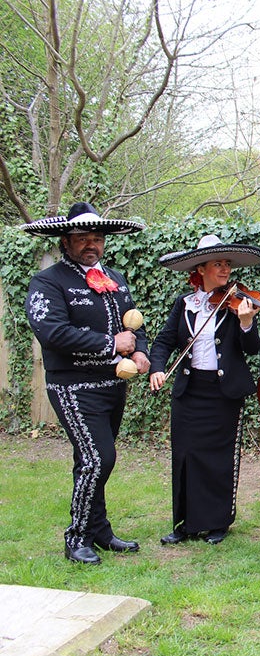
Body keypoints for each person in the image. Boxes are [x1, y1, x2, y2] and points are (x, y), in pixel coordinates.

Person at [22, 202, 149, 565]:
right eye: (82, 238)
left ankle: (100, 531)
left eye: (97, 238)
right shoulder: (47, 281)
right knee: (99, 459)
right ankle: (76, 537)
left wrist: (139, 351)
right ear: (66, 240)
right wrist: (110, 344)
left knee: (91, 460)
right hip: (72, 386)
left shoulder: (115, 278)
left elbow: (133, 327)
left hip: (113, 383)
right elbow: (51, 331)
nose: (91, 244)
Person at [149, 235, 260, 546]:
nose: (225, 269)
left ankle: (218, 522)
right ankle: (185, 523)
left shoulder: (237, 303)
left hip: (223, 392)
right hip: (189, 391)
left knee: (219, 459)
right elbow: (163, 341)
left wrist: (245, 323)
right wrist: (157, 367)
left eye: (228, 264)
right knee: (186, 457)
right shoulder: (184, 304)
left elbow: (252, 348)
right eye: (218, 264)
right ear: (201, 269)